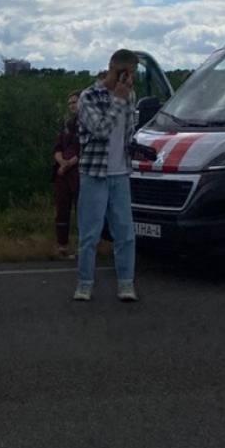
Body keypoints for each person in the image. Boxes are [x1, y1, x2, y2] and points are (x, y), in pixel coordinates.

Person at [74, 50, 140, 302]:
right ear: (116, 70)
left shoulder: (130, 95)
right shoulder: (89, 96)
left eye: (132, 74)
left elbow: (126, 131)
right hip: (94, 173)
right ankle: (85, 283)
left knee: (125, 233)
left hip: (121, 173)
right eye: (128, 73)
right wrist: (119, 100)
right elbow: (100, 130)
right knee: (89, 233)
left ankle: (126, 283)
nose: (130, 79)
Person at [52, 91, 81, 258]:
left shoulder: (87, 124)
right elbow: (57, 148)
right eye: (70, 103)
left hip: (78, 172)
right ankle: (62, 246)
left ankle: (82, 247)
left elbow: (84, 150)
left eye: (75, 102)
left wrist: (69, 164)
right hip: (62, 172)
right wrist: (61, 162)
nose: (72, 105)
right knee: (61, 210)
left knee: (81, 211)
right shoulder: (66, 124)